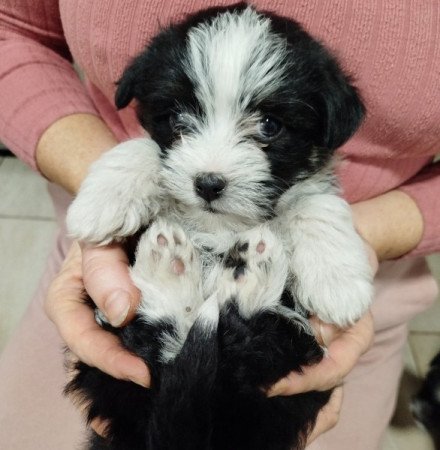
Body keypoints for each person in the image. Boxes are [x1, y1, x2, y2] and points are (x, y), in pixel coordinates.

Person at [0, 1, 439, 449]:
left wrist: (362, 234)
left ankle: (210, 316)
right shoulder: (150, 162)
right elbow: (9, 31)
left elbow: (334, 295)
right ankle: (174, 316)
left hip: (314, 333)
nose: (212, 168)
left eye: (266, 126)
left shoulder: (310, 199)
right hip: (110, 286)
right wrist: (118, 166)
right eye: (180, 121)